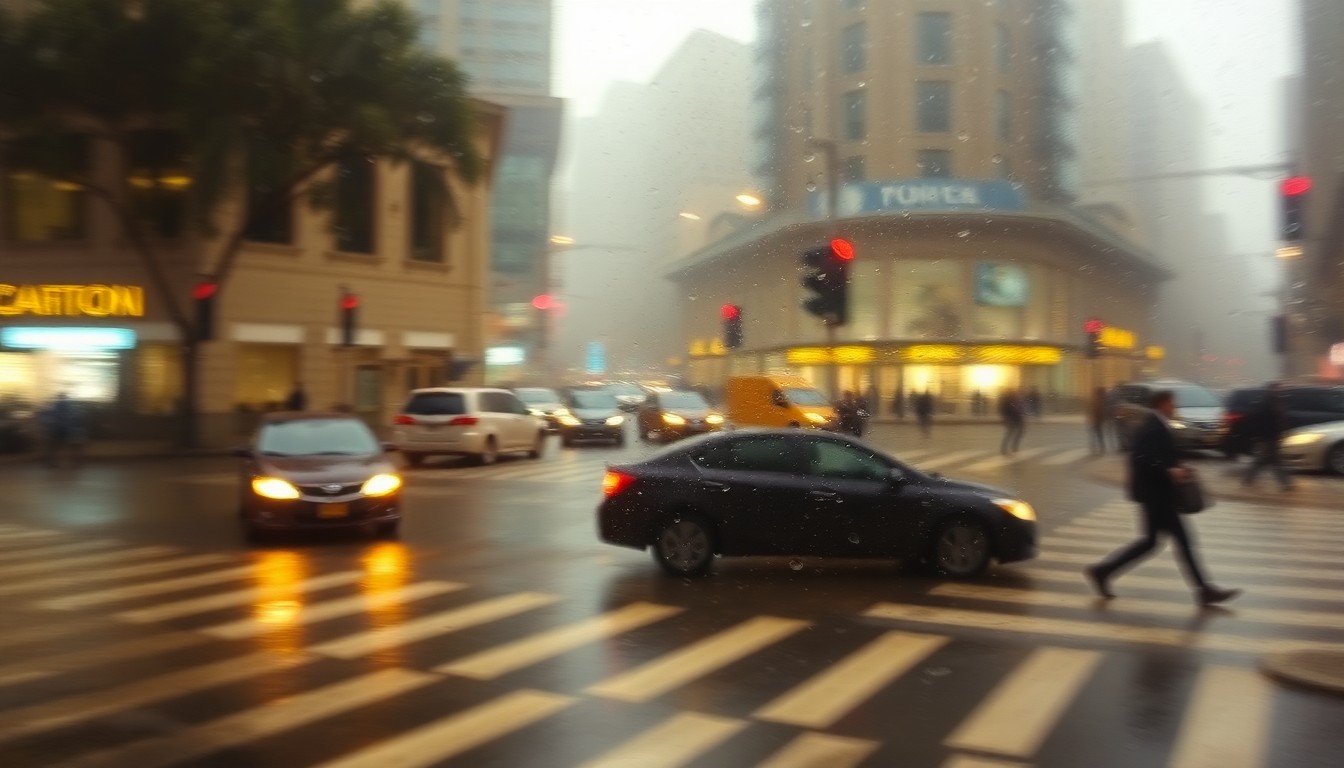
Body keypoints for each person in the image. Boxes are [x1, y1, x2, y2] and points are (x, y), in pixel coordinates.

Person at [1085, 390, 1240, 606]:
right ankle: (1204, 590)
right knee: (1182, 542)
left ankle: (1102, 571)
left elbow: (1153, 456)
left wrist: (1176, 467)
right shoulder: (1153, 426)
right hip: (1157, 496)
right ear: (1163, 404)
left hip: (1157, 496)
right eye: (1172, 404)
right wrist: (1168, 470)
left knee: (1150, 542)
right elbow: (1141, 457)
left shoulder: (1156, 425)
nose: (1174, 408)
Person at [1242, 382, 1294, 491]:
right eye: (1277, 388)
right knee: (1275, 460)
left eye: (1279, 388)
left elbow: (1280, 418)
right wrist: (1262, 435)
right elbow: (1263, 420)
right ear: (1271, 390)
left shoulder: (1277, 401)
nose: (1280, 390)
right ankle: (1286, 483)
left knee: (1263, 460)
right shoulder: (1266, 403)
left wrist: (1284, 428)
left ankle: (1248, 478)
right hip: (1268, 436)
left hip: (1274, 435)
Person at [41, 392, 84, 468]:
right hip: (68, 430)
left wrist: (49, 426)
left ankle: (51, 462)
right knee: (72, 447)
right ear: (66, 397)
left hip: (57, 429)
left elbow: (48, 415)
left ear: (59, 397)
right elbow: (76, 417)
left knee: (54, 447)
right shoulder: (70, 406)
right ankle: (77, 462)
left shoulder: (55, 406)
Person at [999, 389, 1025, 455]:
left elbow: (1020, 407)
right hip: (1012, 418)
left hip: (1017, 418)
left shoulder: (1014, 399)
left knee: (1016, 432)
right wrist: (1006, 418)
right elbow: (1004, 410)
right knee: (1011, 433)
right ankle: (1008, 448)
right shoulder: (1007, 400)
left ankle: (1013, 447)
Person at [1088, 386, 1109, 454]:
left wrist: (1092, 417)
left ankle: (1095, 448)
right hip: (1098, 420)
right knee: (1099, 435)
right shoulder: (1102, 400)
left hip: (1096, 420)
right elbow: (1103, 411)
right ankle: (1101, 448)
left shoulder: (1096, 400)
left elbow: (1092, 410)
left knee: (1095, 434)